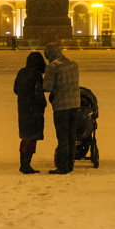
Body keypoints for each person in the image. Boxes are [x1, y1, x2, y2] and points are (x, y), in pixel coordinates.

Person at [42, 42, 81, 174]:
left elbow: (47, 87)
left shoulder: (53, 67)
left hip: (61, 106)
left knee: (62, 137)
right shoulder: (73, 64)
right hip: (75, 104)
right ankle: (70, 164)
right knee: (71, 136)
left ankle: (63, 166)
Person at [13, 51, 48, 174]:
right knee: (31, 138)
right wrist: (42, 104)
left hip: (23, 109)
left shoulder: (21, 72)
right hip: (34, 112)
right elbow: (39, 94)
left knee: (25, 137)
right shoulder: (36, 75)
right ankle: (26, 165)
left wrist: (24, 96)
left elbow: (15, 89)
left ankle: (24, 163)